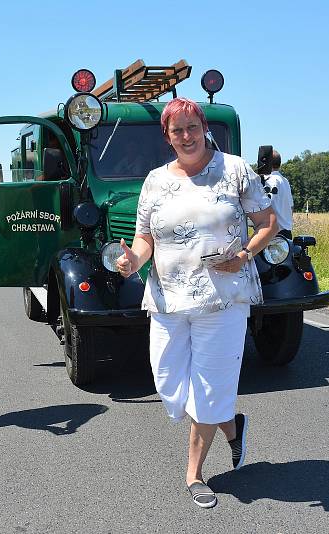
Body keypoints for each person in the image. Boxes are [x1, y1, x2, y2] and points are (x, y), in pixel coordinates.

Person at [115, 98, 278, 508]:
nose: (186, 137)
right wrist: (132, 259)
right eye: (177, 131)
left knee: (207, 390)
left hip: (223, 300)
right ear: (167, 136)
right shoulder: (154, 180)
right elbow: (145, 239)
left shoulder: (235, 169)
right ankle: (230, 424)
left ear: (203, 127)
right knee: (168, 384)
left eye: (192, 128)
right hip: (168, 298)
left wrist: (243, 255)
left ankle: (194, 474)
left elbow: (268, 223)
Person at [263, 150, 294, 239]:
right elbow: (291, 207)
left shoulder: (268, 181)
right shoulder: (285, 181)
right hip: (286, 233)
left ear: (266, 163)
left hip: (272, 233)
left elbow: (264, 207)